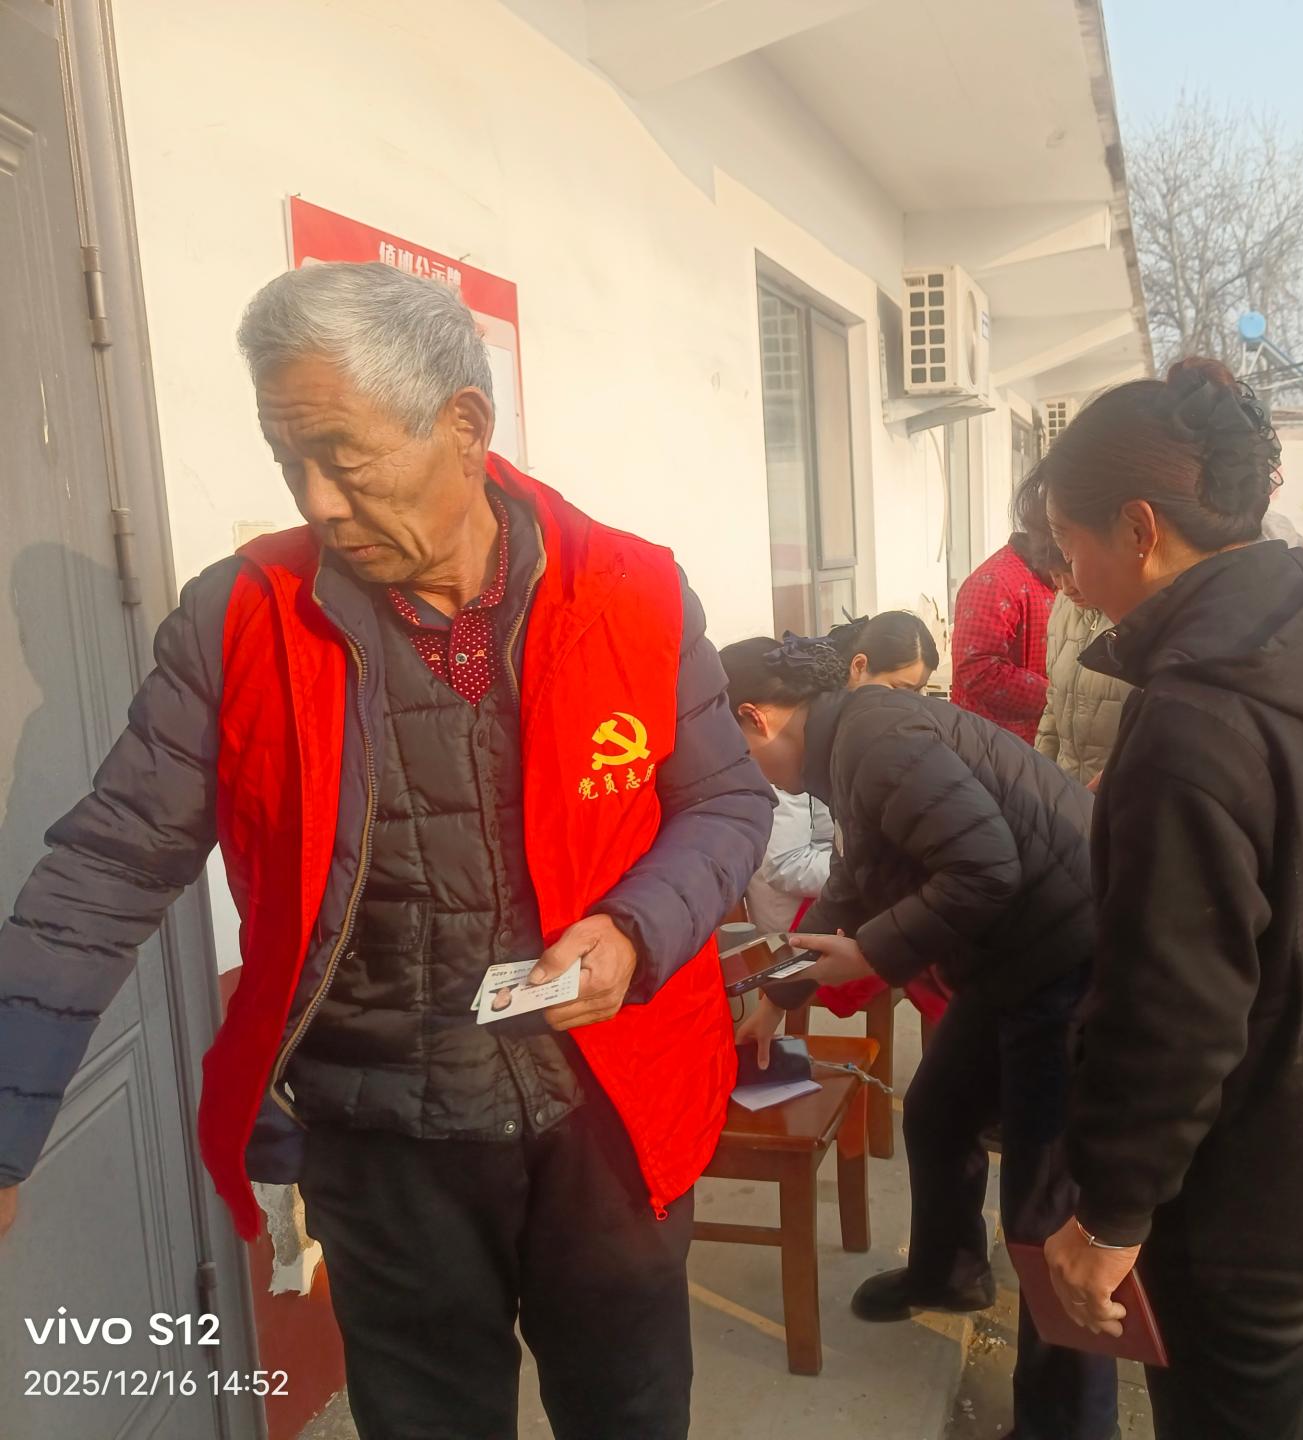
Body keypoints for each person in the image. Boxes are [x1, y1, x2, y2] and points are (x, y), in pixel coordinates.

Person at [0, 263, 774, 1439]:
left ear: (464, 425)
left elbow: (723, 805)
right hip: (384, 1133)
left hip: (608, 1112)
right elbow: (107, 867)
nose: (316, 499)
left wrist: (634, 928)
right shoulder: (242, 617)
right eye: (287, 460)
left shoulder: (631, 590)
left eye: (344, 459)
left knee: (629, 1412)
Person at [1038, 357, 1303, 1439]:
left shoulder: (1196, 718)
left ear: (1139, 528)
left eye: (1069, 544)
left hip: (1259, 1166)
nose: (1069, 580)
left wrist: (1112, 1213)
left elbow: (1174, 1006)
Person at [722, 636, 1117, 1440]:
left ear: (754, 718)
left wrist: (872, 954)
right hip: (1011, 955)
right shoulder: (850, 740)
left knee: (1042, 1205)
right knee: (937, 1110)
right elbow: (854, 880)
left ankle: (1070, 1426)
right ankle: (949, 1274)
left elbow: (986, 869)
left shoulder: (875, 740)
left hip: (1064, 959)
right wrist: (780, 998)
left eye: (730, 750)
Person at [742, 611, 941, 934]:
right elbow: (785, 862)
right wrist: (874, 866)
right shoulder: (795, 743)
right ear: (859, 668)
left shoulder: (871, 741)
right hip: (806, 914)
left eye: (917, 692)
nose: (907, 704)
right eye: (898, 688)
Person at [1019, 470, 1132, 787]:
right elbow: (1054, 705)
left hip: (1117, 793)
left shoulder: (1135, 612)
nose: (1066, 587)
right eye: (1055, 575)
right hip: (1066, 789)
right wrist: (1039, 781)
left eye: (1069, 568)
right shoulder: (1063, 607)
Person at [950, 523, 1058, 743]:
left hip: (1042, 735)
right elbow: (977, 669)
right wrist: (1057, 696)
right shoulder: (995, 582)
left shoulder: (1056, 578)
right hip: (994, 743)